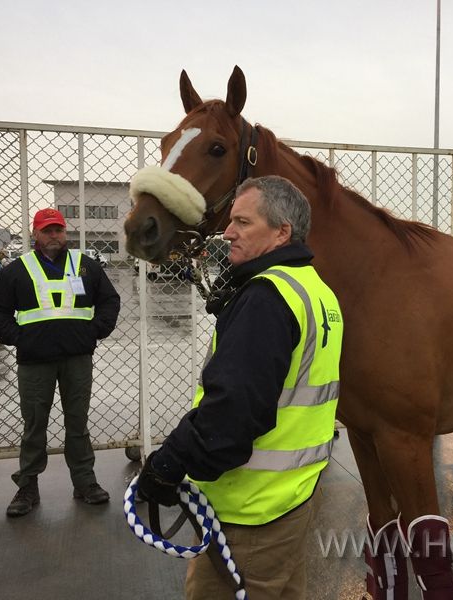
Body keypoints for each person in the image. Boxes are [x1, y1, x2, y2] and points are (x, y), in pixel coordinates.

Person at [136, 176, 343, 600]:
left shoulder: (266, 299)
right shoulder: (316, 289)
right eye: (231, 220)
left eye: (242, 222)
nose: (227, 231)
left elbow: (230, 418)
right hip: (293, 498)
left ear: (281, 231)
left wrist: (167, 465)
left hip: (249, 510)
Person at [0, 208, 120, 517]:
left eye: (58, 230)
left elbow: (110, 300)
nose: (54, 236)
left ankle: (85, 481)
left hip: (77, 358)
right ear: (36, 234)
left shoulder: (84, 266)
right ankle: (28, 486)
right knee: (34, 424)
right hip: (35, 362)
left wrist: (94, 332)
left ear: (65, 232)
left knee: (77, 422)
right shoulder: (17, 270)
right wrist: (18, 337)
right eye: (47, 231)